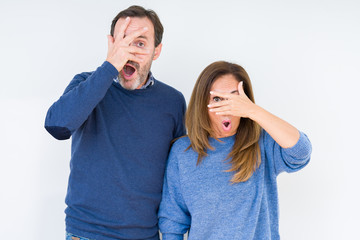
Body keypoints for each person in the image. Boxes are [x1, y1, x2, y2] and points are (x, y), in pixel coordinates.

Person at [44, 5, 186, 240]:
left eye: (140, 43)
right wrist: (109, 67)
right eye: (123, 41)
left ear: (157, 50)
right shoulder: (86, 83)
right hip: (86, 233)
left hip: (145, 235)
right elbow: (57, 126)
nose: (129, 51)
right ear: (111, 44)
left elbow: (178, 174)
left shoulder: (172, 101)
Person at [158, 61, 312, 239]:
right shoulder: (182, 152)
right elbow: (172, 223)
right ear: (202, 103)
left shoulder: (261, 143)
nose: (227, 108)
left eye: (235, 99)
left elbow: (301, 151)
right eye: (217, 99)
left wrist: (254, 112)